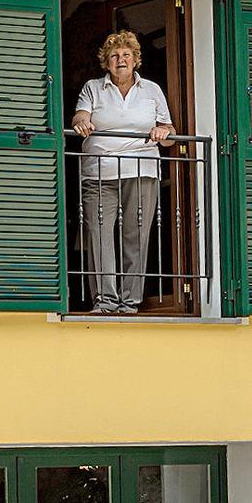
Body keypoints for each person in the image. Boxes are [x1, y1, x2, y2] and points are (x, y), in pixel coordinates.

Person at [72, 30, 173, 314]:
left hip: (141, 169)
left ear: (135, 60)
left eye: (126, 55)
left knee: (136, 236)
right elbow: (81, 116)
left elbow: (169, 132)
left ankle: (129, 301)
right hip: (99, 171)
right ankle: (104, 300)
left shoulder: (151, 90)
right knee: (99, 236)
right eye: (114, 55)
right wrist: (81, 122)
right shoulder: (93, 88)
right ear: (106, 62)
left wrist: (162, 130)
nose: (121, 59)